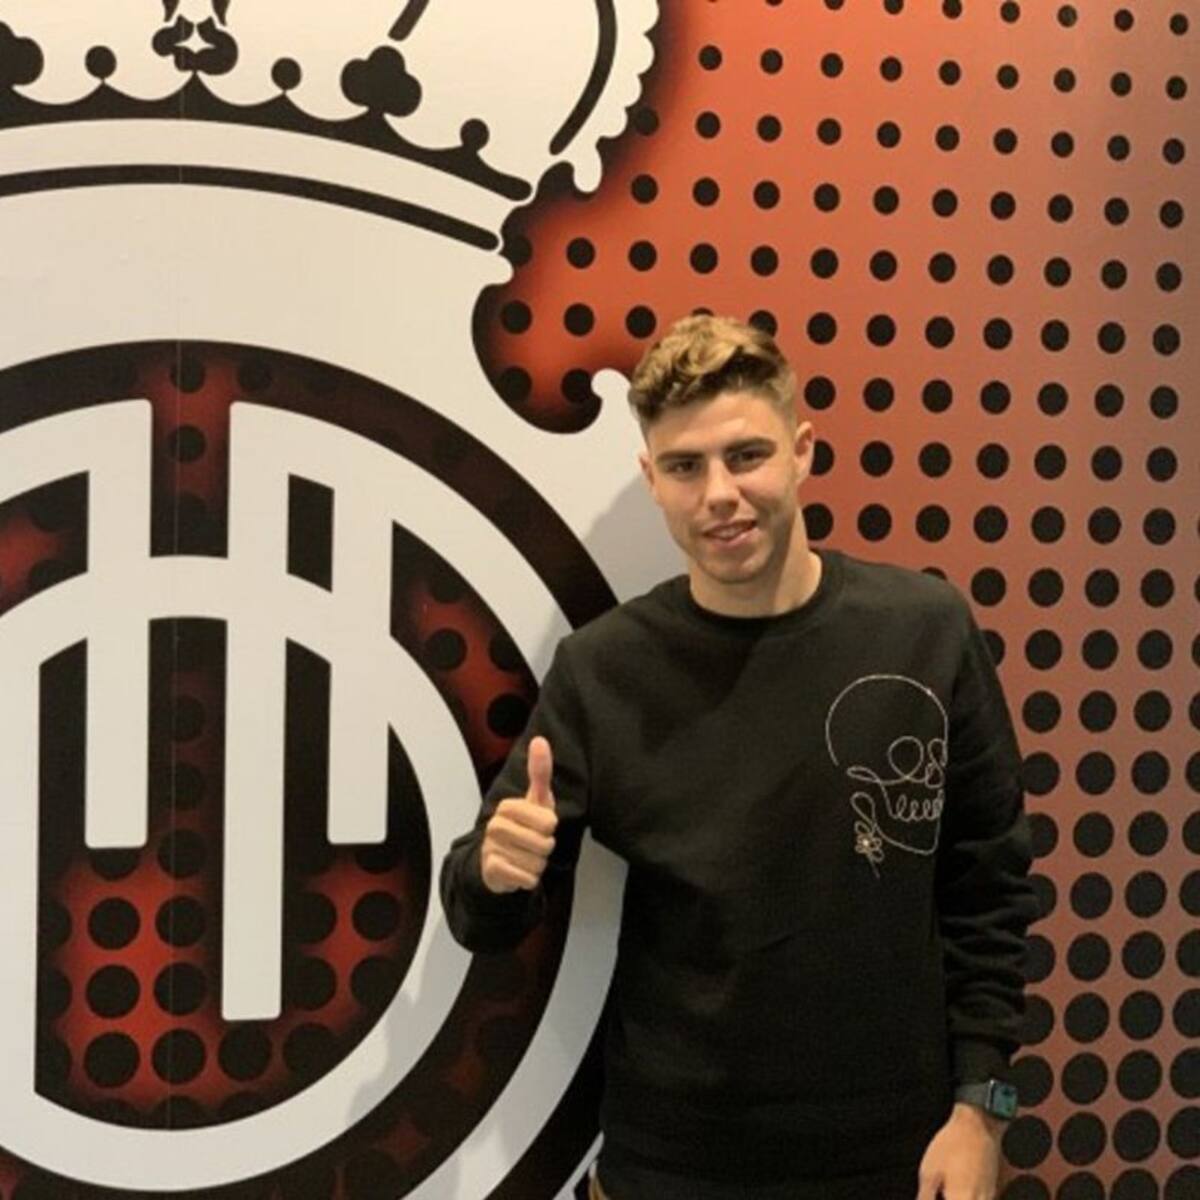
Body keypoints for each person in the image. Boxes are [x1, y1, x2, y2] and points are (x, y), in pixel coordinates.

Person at [440, 314, 1039, 1199]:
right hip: (671, 1166)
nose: (719, 493)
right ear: (652, 479)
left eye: (746, 456)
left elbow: (989, 889)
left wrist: (980, 1109)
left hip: (896, 1158)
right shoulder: (605, 670)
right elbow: (479, 912)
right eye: (685, 467)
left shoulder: (924, 630)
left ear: (801, 452)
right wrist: (496, 872)